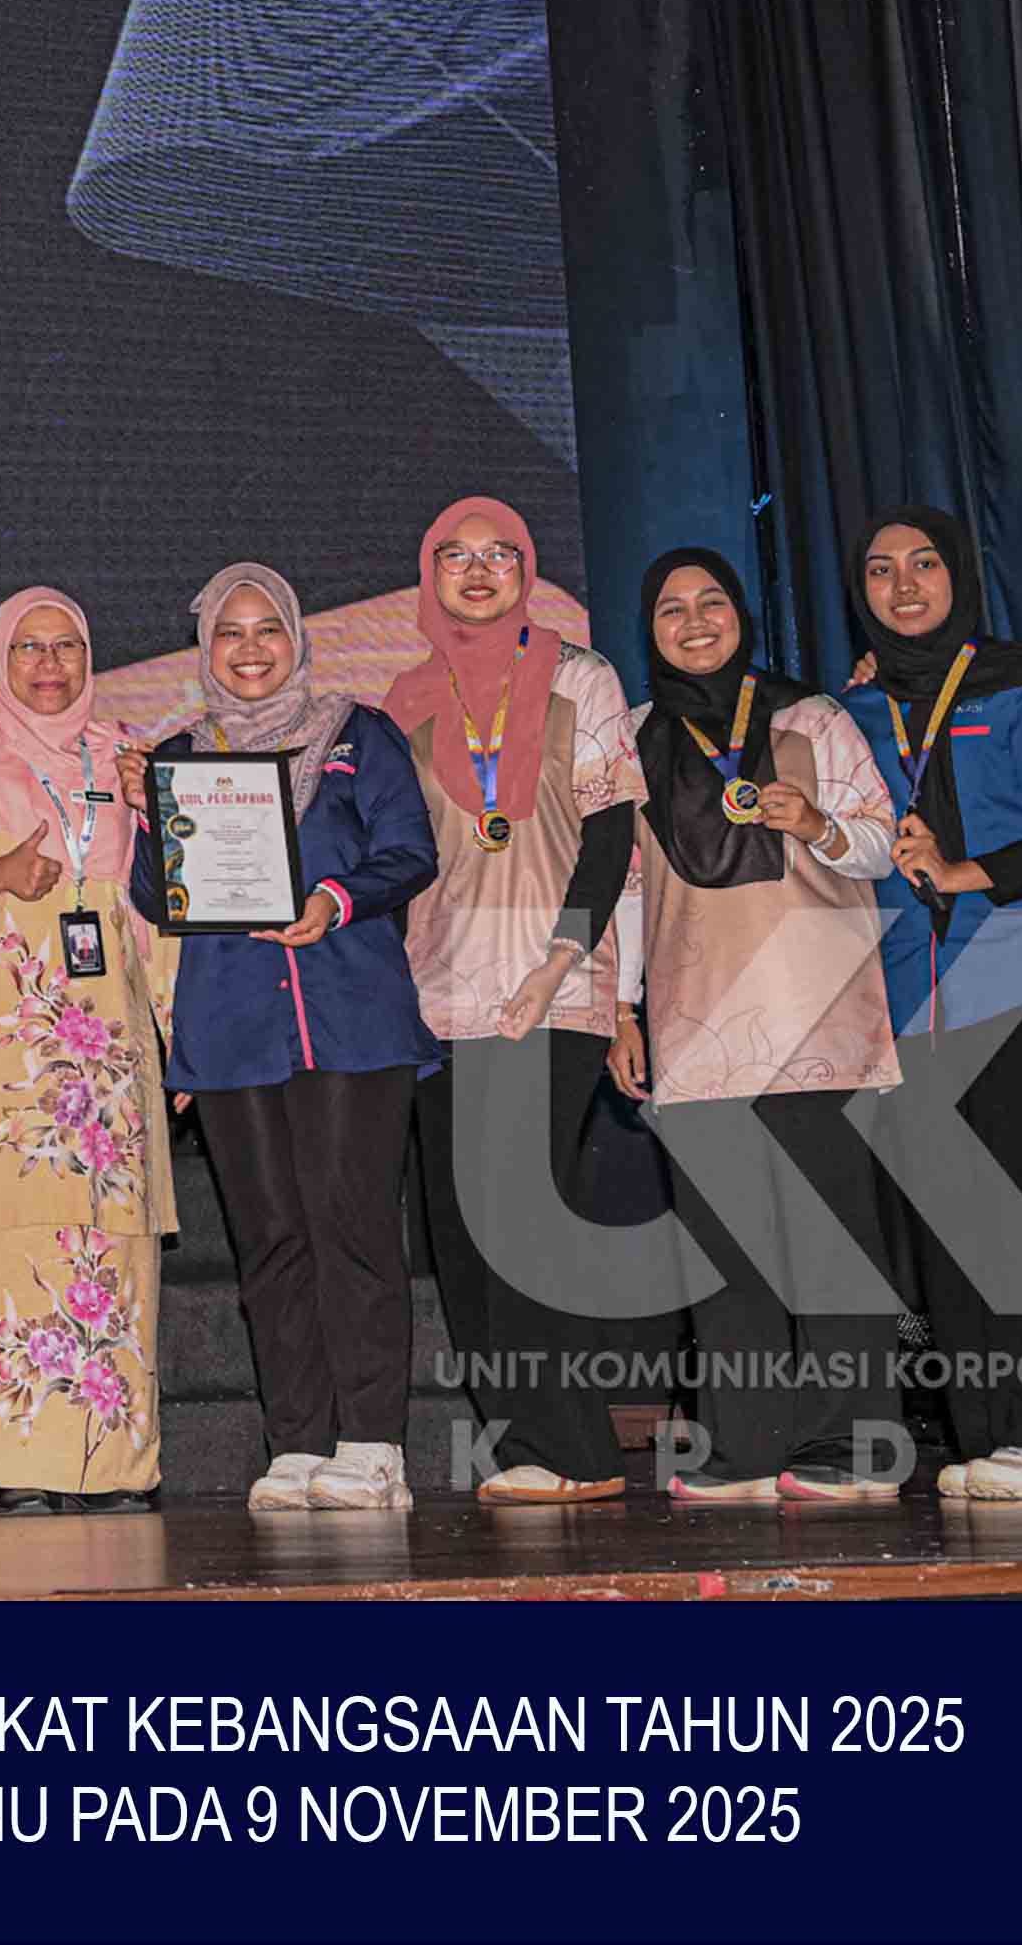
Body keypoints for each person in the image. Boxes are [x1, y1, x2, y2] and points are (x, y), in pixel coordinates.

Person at [129, 566, 441, 1512]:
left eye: (268, 628)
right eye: (230, 633)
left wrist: (333, 899)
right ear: (205, 650)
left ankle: (373, 1444)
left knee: (353, 1229)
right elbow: (157, 898)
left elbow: (410, 851)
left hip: (350, 1018)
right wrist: (151, 819)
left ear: (298, 638)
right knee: (268, 1241)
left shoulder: (358, 733)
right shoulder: (178, 756)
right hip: (234, 1028)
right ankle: (298, 1442)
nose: (251, 649)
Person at [604, 550, 906, 1503]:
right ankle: (743, 1445)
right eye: (671, 609)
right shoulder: (635, 737)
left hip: (816, 1010)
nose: (694, 622)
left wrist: (816, 824)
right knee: (727, 1251)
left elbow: (880, 846)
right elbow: (624, 887)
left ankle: (855, 1448)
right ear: (649, 629)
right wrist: (619, 1007)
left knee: (829, 1242)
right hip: (696, 1018)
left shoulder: (812, 717)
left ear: (742, 613)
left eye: (712, 603)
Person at [838, 507, 1022, 1504]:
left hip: (1014, 966)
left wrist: (964, 871)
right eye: (880, 571)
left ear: (957, 573)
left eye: (923, 564)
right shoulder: (853, 711)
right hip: (906, 986)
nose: (904, 585)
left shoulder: (1019, 684)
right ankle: (988, 1434)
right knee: (948, 1219)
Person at [386, 495, 641, 1507]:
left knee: (522, 1213)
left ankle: (569, 1447)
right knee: (460, 1229)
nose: (478, 571)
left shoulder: (582, 676)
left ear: (527, 570)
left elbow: (612, 832)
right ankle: (524, 1442)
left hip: (553, 985)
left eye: (499, 554)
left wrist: (561, 958)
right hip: (441, 994)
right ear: (431, 574)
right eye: (456, 556)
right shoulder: (407, 697)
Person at [0, 587, 178, 1513]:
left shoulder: (127, 754)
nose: (50, 665)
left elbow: (164, 908)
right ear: (0, 660)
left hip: (109, 1045)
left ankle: (107, 1465)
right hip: (4, 1056)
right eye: (29, 648)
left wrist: (178, 1030)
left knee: (108, 1243)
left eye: (67, 646)